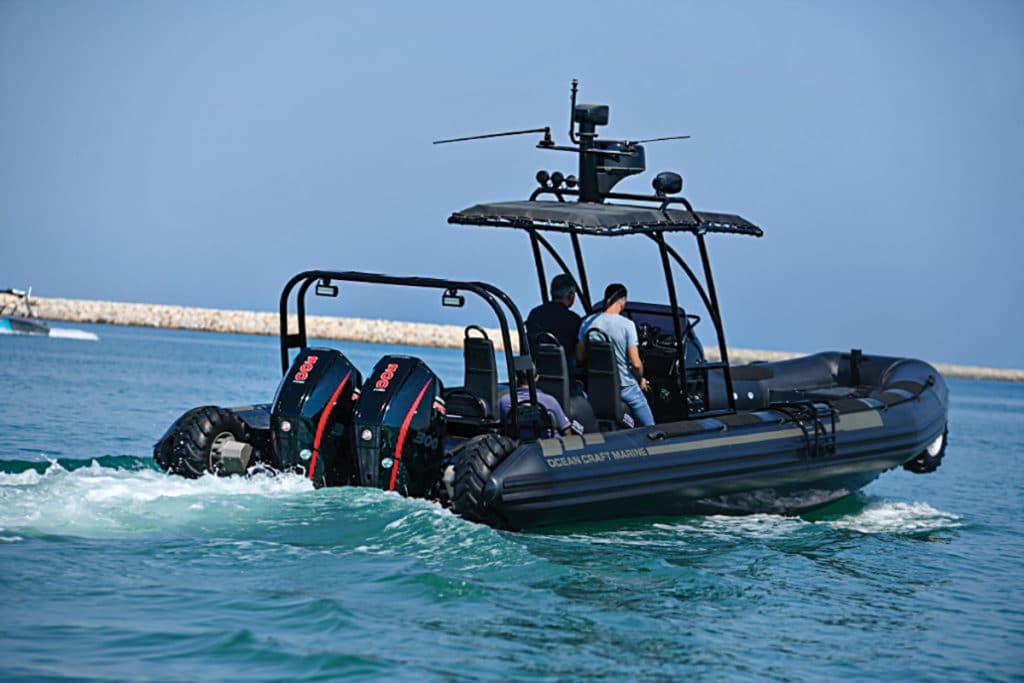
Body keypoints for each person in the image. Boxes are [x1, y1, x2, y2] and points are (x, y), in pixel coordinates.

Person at [576, 283, 655, 427]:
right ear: (623, 301)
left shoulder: (587, 323)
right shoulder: (627, 325)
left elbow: (580, 357)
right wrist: (640, 379)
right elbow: (636, 364)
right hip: (625, 387)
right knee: (650, 426)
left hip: (597, 387)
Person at [525, 273, 583, 391]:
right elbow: (580, 356)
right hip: (566, 384)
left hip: (538, 380)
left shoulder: (534, 314)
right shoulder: (574, 320)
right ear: (571, 295)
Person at [498, 368, 573, 440]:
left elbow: (505, 428)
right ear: (537, 378)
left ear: (516, 378)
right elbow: (566, 431)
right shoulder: (550, 401)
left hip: (520, 448)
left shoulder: (505, 401)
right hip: (549, 447)